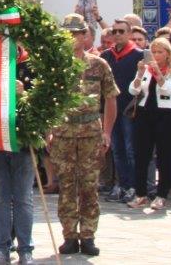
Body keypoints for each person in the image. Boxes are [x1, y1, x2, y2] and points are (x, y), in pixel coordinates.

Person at [48, 13, 117, 256]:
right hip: (64, 133)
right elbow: (48, 101)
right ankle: (69, 235)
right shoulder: (56, 65)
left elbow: (110, 99)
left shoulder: (99, 64)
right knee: (66, 186)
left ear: (85, 35)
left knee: (89, 186)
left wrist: (107, 132)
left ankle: (88, 235)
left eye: (77, 33)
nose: (72, 37)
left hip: (90, 134)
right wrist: (48, 130)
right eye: (67, 33)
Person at [0, 44, 36, 265]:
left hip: (23, 140)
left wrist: (25, 94)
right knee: (0, 198)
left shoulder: (31, 65)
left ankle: (25, 249)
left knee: (23, 198)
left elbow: (45, 98)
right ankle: (1, 247)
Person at [127, 38, 171, 211]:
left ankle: (161, 194)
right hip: (144, 113)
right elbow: (133, 90)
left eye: (160, 52)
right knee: (141, 155)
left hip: (165, 115)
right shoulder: (146, 70)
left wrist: (158, 73)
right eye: (154, 52)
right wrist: (139, 74)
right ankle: (140, 194)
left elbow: (168, 89)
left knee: (164, 156)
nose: (156, 56)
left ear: (167, 54)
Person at [100, 18, 143, 202]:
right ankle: (122, 184)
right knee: (116, 148)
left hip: (129, 109)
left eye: (121, 31)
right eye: (114, 31)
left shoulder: (138, 55)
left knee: (130, 148)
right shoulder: (106, 57)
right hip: (111, 109)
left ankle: (133, 186)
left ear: (129, 33)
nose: (117, 35)